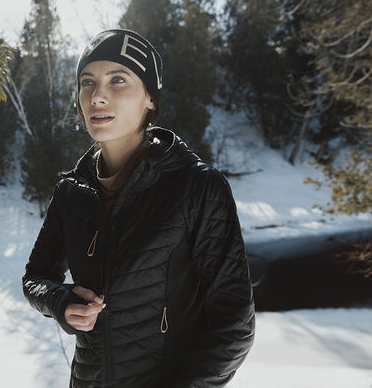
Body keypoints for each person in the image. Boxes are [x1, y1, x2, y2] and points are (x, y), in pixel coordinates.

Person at [21, 29, 255, 387]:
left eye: (118, 80)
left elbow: (234, 325)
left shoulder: (196, 187)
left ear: (150, 99)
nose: (97, 96)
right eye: (87, 82)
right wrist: (60, 302)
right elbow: (36, 276)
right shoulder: (71, 192)